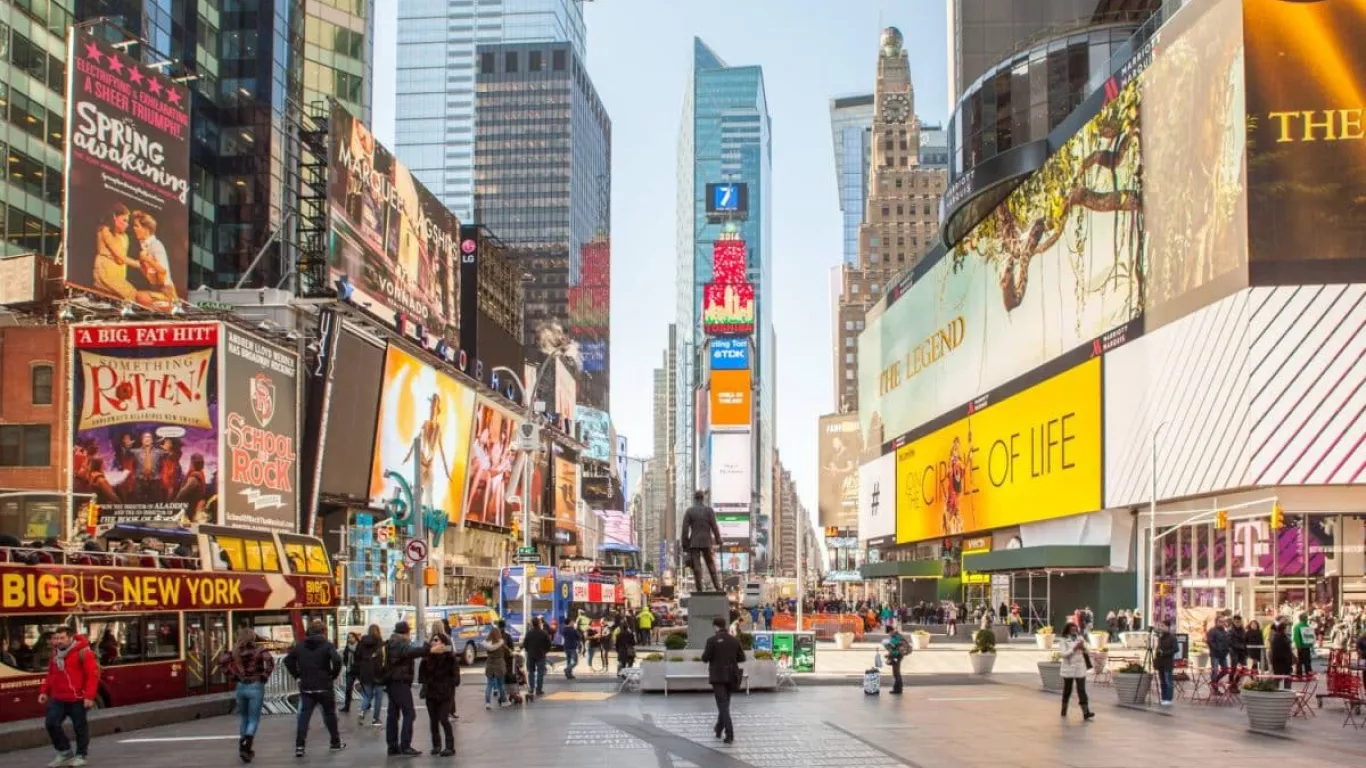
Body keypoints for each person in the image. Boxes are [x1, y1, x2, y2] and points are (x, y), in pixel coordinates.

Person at [283, 619, 345, 757]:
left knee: (304, 716)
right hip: (324, 686)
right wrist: (332, 675)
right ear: (323, 632)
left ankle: (300, 746)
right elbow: (337, 660)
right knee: (330, 715)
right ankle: (335, 742)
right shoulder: (327, 645)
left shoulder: (300, 646)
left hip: (307, 687)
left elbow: (287, 660)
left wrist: (297, 676)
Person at [39, 625, 99, 768]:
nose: (58, 641)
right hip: (59, 697)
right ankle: (64, 752)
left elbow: (92, 675)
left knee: (80, 727)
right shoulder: (55, 654)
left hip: (78, 698)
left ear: (70, 637)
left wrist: (89, 696)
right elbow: (51, 675)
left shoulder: (84, 653)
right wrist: (44, 691)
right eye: (56, 638)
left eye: (62, 638)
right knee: (51, 723)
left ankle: (81, 755)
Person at [214, 627, 274, 763]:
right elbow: (270, 662)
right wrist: (264, 675)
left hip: (241, 686)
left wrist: (233, 676)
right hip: (256, 686)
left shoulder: (234, 651)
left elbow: (221, 662)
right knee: (253, 719)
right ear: (253, 637)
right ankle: (246, 744)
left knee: (244, 718)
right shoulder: (260, 650)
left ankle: (244, 749)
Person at [384, 621, 438, 756]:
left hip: (391, 682)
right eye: (409, 632)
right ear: (405, 633)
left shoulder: (391, 642)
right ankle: (405, 745)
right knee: (409, 713)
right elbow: (411, 652)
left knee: (392, 714)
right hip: (400, 682)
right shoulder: (399, 643)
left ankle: (392, 745)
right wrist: (427, 648)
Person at [701, 616, 745, 744]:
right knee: (724, 704)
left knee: (723, 706)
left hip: (718, 676)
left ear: (715, 626)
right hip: (732, 676)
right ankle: (719, 728)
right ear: (724, 625)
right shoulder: (734, 640)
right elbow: (741, 658)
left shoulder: (711, 640)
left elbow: (705, 658)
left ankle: (730, 733)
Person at [418, 633, 459, 757]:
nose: (434, 642)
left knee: (443, 718)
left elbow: (456, 679)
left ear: (443, 643)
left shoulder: (450, 658)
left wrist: (448, 686)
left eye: (437, 640)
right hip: (431, 693)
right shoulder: (426, 659)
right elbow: (421, 677)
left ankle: (450, 747)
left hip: (445, 694)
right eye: (433, 640)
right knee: (433, 720)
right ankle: (436, 745)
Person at [680, 490, 724, 591]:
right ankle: (717, 587)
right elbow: (714, 527)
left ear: (695, 499)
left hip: (694, 542)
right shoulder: (709, 510)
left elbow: (685, 529)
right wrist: (718, 539)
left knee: (697, 566)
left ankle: (699, 589)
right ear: (702, 498)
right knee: (710, 564)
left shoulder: (689, 511)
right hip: (707, 541)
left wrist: (685, 544)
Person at [1058, 622, 1095, 720]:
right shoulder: (1063, 640)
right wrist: (1074, 649)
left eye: (1075, 629)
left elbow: (1088, 651)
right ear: (1068, 630)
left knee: (1081, 690)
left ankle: (1086, 712)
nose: (1074, 631)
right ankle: (1064, 710)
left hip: (1080, 667)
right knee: (1067, 689)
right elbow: (1063, 654)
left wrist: (1083, 648)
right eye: (1072, 630)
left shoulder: (1080, 638)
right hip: (1069, 667)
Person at [353, 624, 385, 726]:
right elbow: (383, 658)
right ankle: (375, 719)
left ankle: (362, 712)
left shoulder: (361, 642)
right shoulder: (380, 642)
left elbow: (357, 657)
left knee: (367, 695)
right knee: (378, 697)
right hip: (378, 672)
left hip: (365, 672)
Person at [522, 617, 551, 697]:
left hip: (531, 655)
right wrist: (545, 651)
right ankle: (539, 689)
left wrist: (528, 650)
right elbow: (549, 644)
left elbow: (525, 644)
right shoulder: (543, 633)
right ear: (539, 623)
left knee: (531, 672)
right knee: (540, 673)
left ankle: (531, 688)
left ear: (532, 624)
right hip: (541, 655)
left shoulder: (529, 633)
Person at [483, 627, 510, 709]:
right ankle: (504, 701)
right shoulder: (501, 643)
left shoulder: (487, 643)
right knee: (501, 684)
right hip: (499, 665)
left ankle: (488, 703)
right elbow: (508, 651)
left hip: (490, 664)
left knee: (489, 684)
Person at [1153, 622, 1178, 706]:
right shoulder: (1160, 637)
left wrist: (1165, 653)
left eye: (1162, 626)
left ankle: (1168, 698)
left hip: (1168, 662)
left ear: (1168, 627)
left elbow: (1175, 649)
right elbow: (1158, 649)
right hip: (1161, 663)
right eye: (1160, 626)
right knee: (1162, 681)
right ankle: (1163, 698)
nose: (1161, 627)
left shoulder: (1172, 637)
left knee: (1168, 681)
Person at [881, 625, 908, 695]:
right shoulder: (895, 636)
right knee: (896, 673)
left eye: (889, 632)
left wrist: (890, 654)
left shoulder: (897, 637)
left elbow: (899, 650)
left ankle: (898, 690)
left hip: (898, 656)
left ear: (891, 631)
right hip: (896, 656)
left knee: (896, 673)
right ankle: (898, 689)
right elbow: (894, 648)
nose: (889, 634)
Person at [1205, 617, 1231, 687]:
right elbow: (1210, 642)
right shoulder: (1212, 631)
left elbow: (1227, 641)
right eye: (1220, 621)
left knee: (1225, 670)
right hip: (1215, 654)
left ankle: (1215, 681)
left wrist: (1227, 649)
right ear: (1216, 622)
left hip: (1223, 654)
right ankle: (1214, 687)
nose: (1222, 623)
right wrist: (1217, 649)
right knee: (1215, 671)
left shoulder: (1224, 631)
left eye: (1223, 622)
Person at [1270, 620, 1295, 689]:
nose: (1289, 629)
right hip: (1280, 662)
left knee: (1287, 678)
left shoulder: (1284, 636)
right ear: (1283, 629)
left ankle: (1287, 692)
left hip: (1285, 662)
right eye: (1287, 628)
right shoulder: (1278, 637)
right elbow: (1277, 651)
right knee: (1278, 678)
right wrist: (1286, 658)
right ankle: (1274, 692)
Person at [339, 631, 360, 714]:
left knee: (365, 687)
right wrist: (346, 663)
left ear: (355, 637)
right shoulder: (347, 647)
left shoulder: (359, 646)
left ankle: (367, 702)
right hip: (350, 670)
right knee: (348, 688)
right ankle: (346, 706)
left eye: (351, 637)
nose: (350, 638)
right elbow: (345, 657)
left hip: (358, 670)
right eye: (348, 637)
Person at [1292, 612, 1316, 677]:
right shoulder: (1307, 626)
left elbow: (1296, 637)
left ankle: (1299, 674)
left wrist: (1298, 645)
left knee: (1300, 661)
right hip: (1306, 646)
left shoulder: (1297, 626)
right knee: (1307, 661)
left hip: (1301, 646)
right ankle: (1308, 672)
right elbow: (1311, 636)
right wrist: (1311, 644)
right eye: (1306, 617)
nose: (1307, 619)